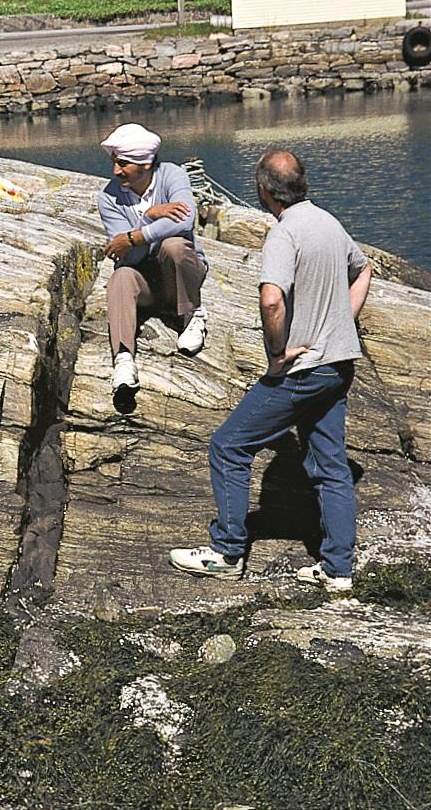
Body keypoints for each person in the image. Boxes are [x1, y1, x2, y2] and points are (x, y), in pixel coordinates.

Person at [169, 149, 371, 592]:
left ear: (263, 189)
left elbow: (271, 299)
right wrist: (342, 320)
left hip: (302, 370)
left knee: (228, 446)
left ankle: (226, 552)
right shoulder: (328, 222)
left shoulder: (284, 235)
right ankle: (338, 570)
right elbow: (363, 269)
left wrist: (278, 354)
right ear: (302, 184)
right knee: (332, 467)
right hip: (338, 364)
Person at [97, 123, 208, 398]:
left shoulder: (172, 175)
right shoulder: (108, 198)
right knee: (121, 276)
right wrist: (149, 217)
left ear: (145, 163)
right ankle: (123, 359)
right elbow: (127, 256)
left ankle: (192, 315)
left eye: (123, 163)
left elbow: (185, 220)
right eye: (114, 162)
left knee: (174, 246)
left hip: (178, 276)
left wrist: (135, 234)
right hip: (143, 282)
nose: (116, 170)